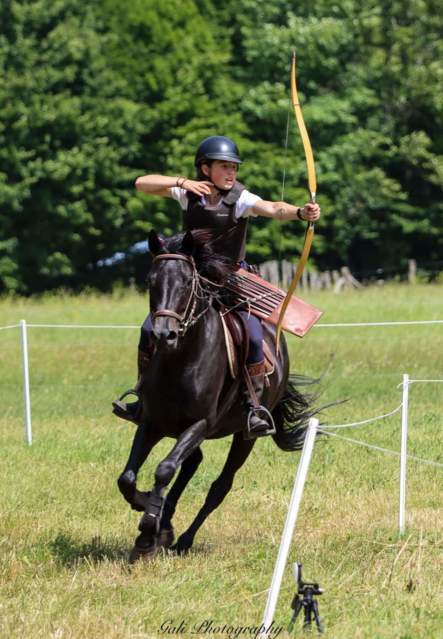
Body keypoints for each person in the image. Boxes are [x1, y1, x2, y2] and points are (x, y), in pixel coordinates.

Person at [113, 135, 320, 438]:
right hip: (191, 281)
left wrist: (300, 213)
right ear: (205, 168)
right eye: (224, 167)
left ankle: (253, 406)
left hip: (229, 282)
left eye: (234, 167)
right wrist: (182, 182)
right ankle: (142, 398)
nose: (231, 173)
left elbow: (274, 208)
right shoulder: (189, 193)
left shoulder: (241, 198)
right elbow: (142, 183)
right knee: (149, 329)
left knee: (251, 333)